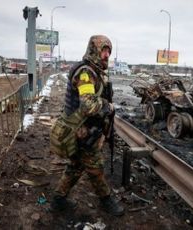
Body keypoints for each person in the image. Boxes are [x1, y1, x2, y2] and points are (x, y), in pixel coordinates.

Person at [49, 35, 124, 216]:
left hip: (85, 129)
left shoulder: (95, 71)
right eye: (103, 50)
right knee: (95, 166)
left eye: (108, 51)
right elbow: (88, 104)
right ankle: (106, 200)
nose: (106, 55)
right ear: (94, 50)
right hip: (80, 131)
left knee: (76, 166)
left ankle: (58, 201)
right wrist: (109, 106)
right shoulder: (86, 73)